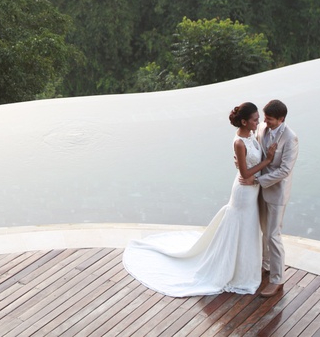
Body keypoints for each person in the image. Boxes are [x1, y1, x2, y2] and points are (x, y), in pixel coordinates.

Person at [122, 102, 277, 296]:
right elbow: (245, 174)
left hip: (251, 191)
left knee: (248, 229)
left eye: (258, 119)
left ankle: (245, 269)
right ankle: (235, 272)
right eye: (255, 120)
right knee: (242, 227)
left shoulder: (251, 134)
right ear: (244, 122)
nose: (259, 122)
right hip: (244, 192)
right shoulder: (239, 142)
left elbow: (245, 165)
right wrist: (268, 161)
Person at [240, 99, 298, 298]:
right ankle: (265, 266)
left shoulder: (291, 138)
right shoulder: (262, 128)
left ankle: (277, 279)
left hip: (276, 192)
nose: (266, 122)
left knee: (273, 235)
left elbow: (285, 170)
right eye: (265, 118)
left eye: (270, 119)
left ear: (281, 119)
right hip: (259, 191)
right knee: (263, 231)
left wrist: (258, 179)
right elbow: (254, 150)